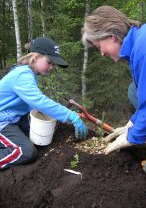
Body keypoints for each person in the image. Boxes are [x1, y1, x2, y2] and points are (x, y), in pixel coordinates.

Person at [82, 5, 146, 165]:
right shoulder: (140, 41)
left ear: (111, 36)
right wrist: (132, 124)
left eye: (99, 46)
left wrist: (132, 136)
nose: (102, 53)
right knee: (134, 91)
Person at [0, 36, 88, 169]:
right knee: (26, 152)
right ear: (35, 58)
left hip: (14, 117)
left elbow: (31, 104)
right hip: (2, 121)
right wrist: (70, 115)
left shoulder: (29, 74)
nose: (52, 67)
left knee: (46, 131)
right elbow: (39, 101)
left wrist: (58, 113)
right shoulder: (22, 74)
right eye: (49, 62)